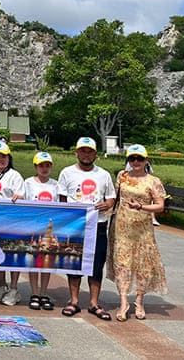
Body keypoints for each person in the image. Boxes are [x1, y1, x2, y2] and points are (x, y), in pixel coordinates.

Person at [58, 137, 116, 321]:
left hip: (97, 224)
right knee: (74, 262)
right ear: (76, 152)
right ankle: (73, 300)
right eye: (82, 151)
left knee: (96, 264)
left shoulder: (104, 175)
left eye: (89, 151)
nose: (86, 154)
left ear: (95, 154)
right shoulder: (67, 173)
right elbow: (62, 199)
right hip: (76, 226)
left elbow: (111, 198)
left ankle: (94, 303)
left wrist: (106, 205)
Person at [108, 144, 167, 321]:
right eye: (132, 159)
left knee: (143, 265)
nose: (136, 162)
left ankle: (139, 300)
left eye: (139, 159)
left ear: (146, 161)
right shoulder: (122, 176)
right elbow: (115, 199)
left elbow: (160, 206)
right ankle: (124, 301)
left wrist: (141, 206)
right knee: (122, 264)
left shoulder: (153, 181)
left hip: (143, 229)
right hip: (122, 227)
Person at [0, 141, 25, 306]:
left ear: (9, 158)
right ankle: (2, 285)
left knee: (13, 254)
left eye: (4, 156)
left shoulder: (15, 175)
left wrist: (19, 197)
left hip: (11, 221)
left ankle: (14, 288)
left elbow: (22, 195)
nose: (0, 159)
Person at [24, 151, 59, 311]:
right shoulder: (28, 183)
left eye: (47, 165)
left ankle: (44, 293)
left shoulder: (56, 185)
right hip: (33, 227)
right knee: (34, 262)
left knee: (47, 263)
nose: (44, 169)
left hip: (49, 230)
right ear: (35, 167)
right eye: (41, 166)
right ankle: (34, 293)